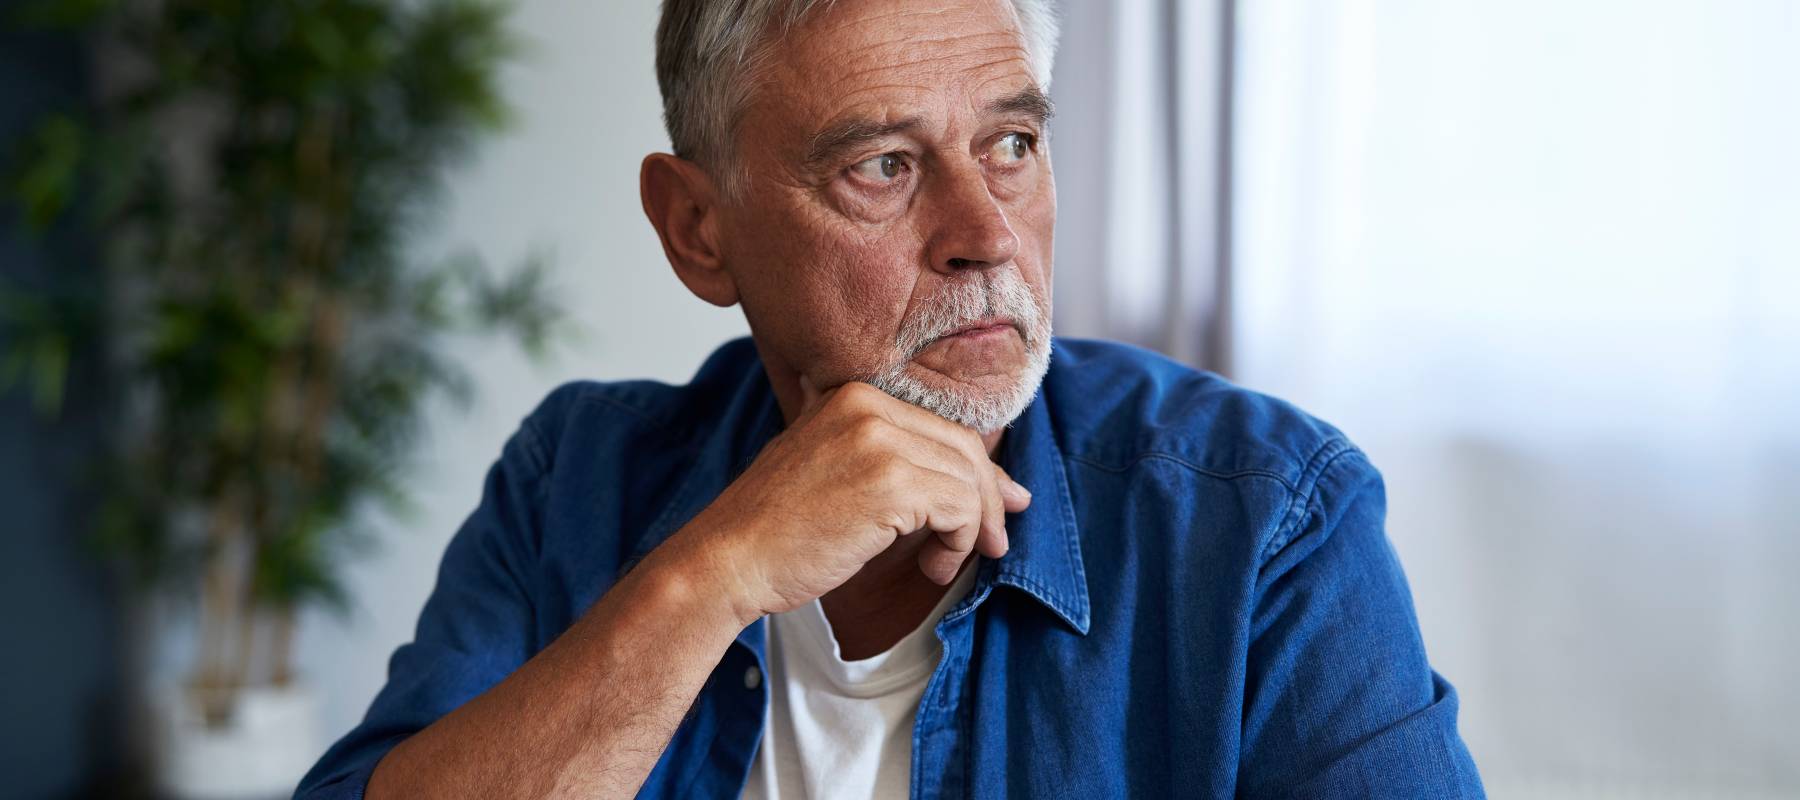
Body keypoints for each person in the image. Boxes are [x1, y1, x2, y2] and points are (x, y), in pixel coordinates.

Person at [297, 0, 1484, 796]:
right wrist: (713, 577)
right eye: (883, 165)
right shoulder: (578, 479)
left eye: (1011, 143)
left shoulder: (1266, 515)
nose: (986, 235)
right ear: (699, 230)